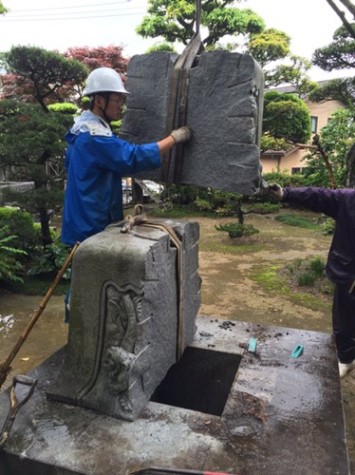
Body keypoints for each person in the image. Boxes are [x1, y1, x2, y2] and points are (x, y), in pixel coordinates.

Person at [61, 66, 192, 321]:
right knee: (90, 285)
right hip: (91, 222)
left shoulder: (79, 131)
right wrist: (174, 139)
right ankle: (83, 333)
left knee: (83, 282)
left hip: (80, 218)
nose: (121, 106)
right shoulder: (95, 137)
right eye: (117, 100)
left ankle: (80, 331)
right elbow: (132, 157)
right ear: (99, 100)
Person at [269, 184, 355, 378]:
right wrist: (286, 193)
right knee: (344, 320)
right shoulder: (348, 200)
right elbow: (318, 196)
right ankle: (347, 359)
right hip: (349, 275)